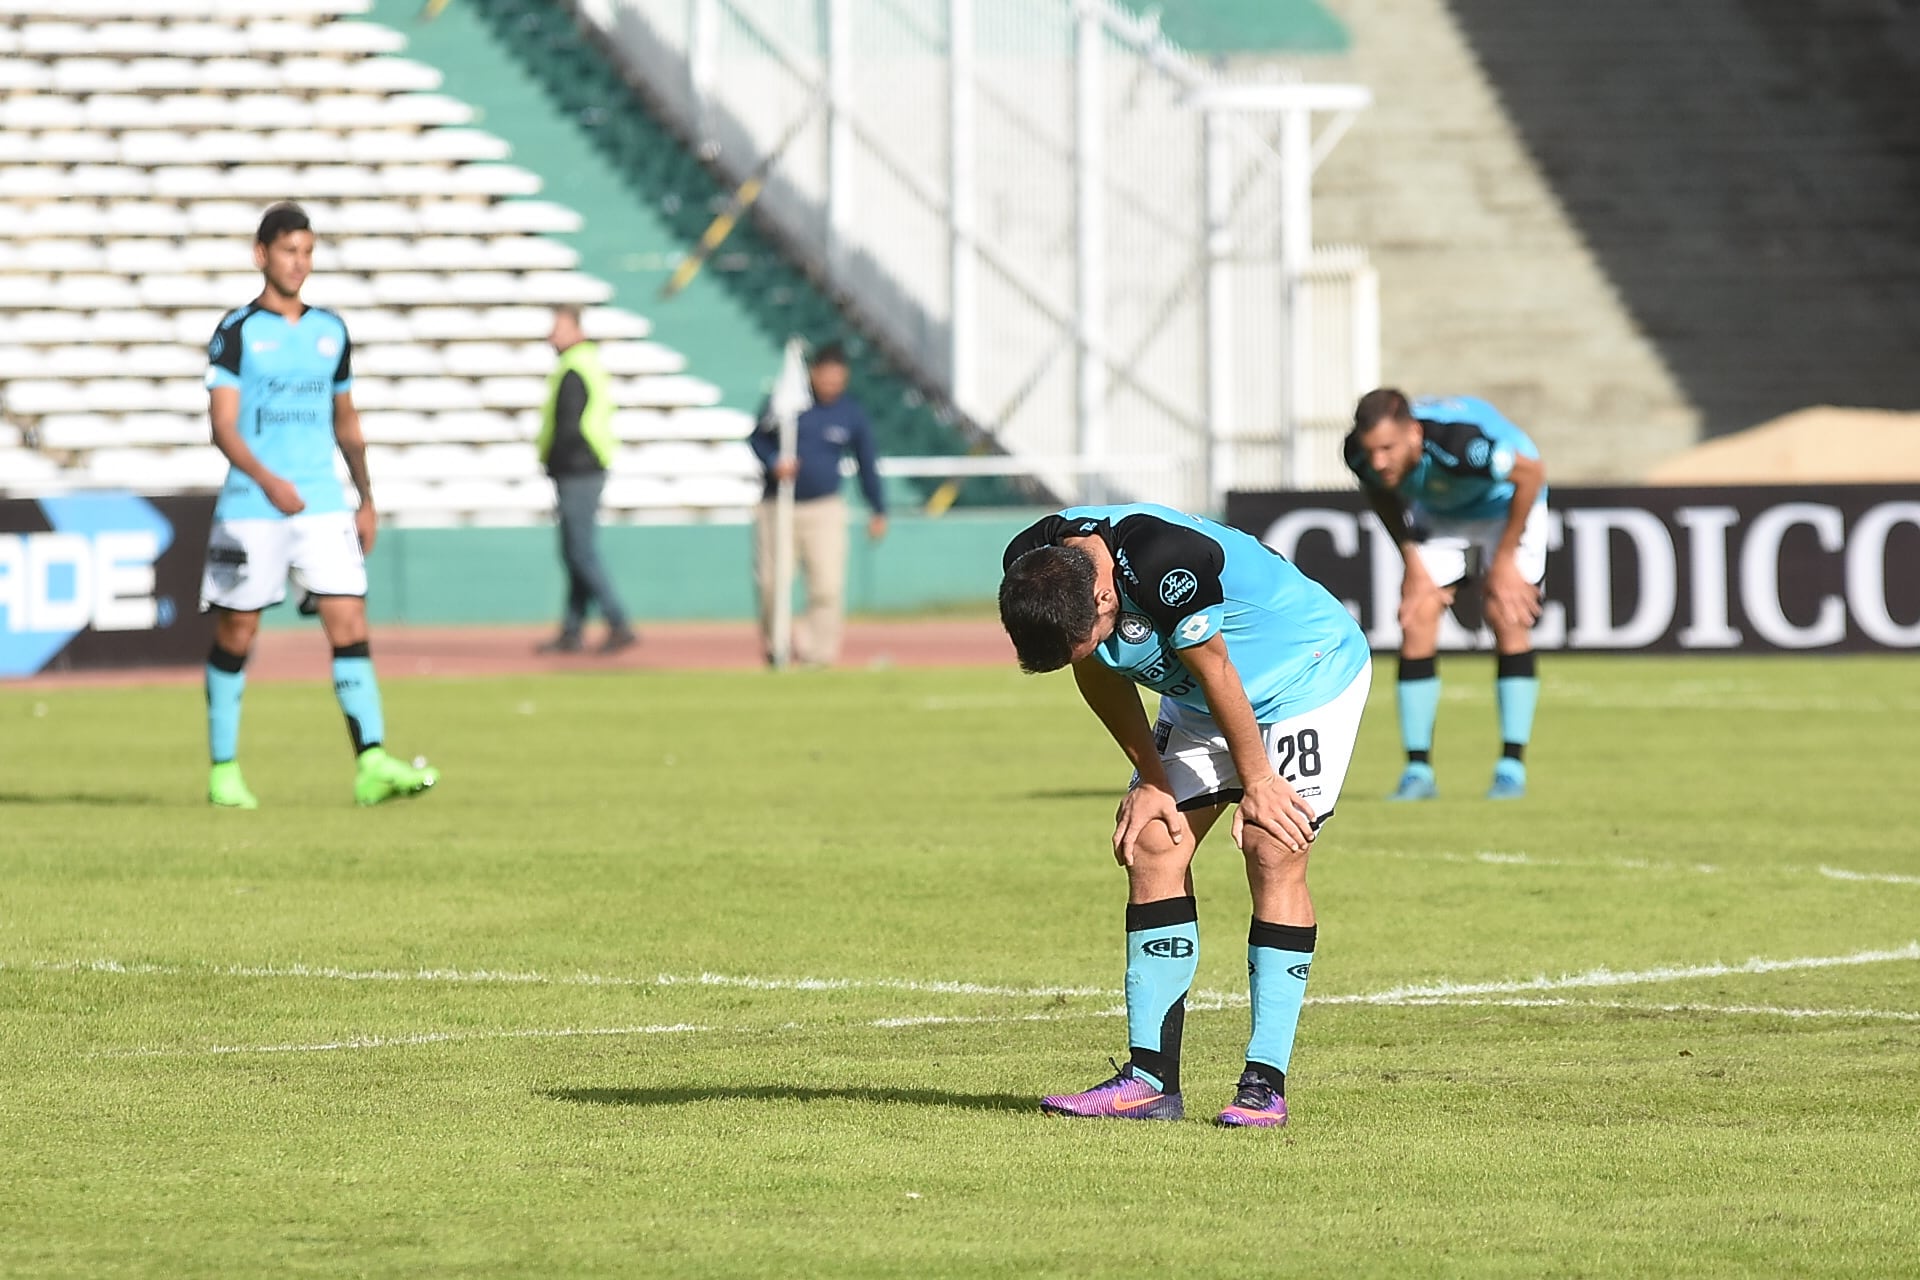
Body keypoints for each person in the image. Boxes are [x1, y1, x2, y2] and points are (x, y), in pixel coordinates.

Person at [999, 503, 1373, 1127]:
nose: (1085, 654)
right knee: (1152, 841)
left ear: (1102, 593)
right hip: (1200, 700)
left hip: (1305, 679)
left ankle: (1264, 1082)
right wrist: (1151, 778)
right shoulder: (1034, 567)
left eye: (1087, 640)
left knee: (1270, 843)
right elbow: (1094, 672)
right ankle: (1149, 1082)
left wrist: (1257, 782)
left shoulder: (1162, 562)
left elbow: (1218, 666)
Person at [199, 201, 439, 809]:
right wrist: (268, 478)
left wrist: (366, 497)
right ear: (262, 255)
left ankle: (372, 763)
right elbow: (223, 427)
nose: (299, 263)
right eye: (288, 251)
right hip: (254, 504)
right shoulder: (237, 332)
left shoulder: (331, 330)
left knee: (350, 623)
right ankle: (223, 770)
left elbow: (347, 422)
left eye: (307, 252)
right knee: (239, 630)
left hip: (324, 504)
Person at [1343, 389, 1548, 801]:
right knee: (1417, 615)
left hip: (1504, 507)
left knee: (1506, 613)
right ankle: (1417, 772)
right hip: (1439, 514)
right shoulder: (1358, 453)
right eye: (1372, 450)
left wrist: (1504, 559)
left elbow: (1531, 475)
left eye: (1388, 448)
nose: (1379, 461)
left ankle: (1511, 768)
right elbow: (1379, 492)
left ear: (1414, 433)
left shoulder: (1464, 445)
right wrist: (1412, 563)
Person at [747, 342, 887, 667]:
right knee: (772, 583)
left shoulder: (849, 412)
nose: (832, 386)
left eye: (838, 380)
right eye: (827, 379)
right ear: (814, 373)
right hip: (777, 509)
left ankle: (818, 655)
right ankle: (776, 648)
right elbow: (757, 438)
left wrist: (877, 507)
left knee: (827, 586)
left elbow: (867, 462)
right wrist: (773, 461)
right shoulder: (786, 403)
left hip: (824, 509)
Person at [535, 305, 635, 654]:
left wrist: (553, 459)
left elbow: (569, 426)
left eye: (558, 328)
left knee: (579, 551)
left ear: (576, 331)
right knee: (575, 551)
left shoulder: (575, 368)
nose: (552, 335)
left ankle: (618, 621)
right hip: (584, 466)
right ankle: (572, 630)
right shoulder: (583, 364)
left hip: (579, 468)